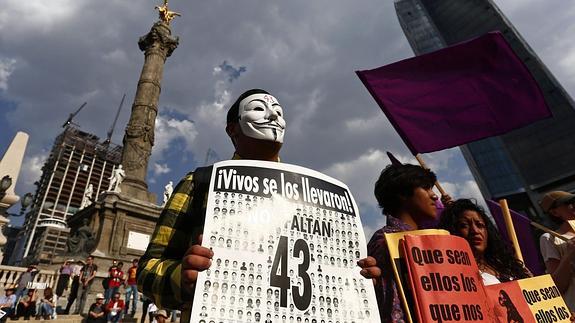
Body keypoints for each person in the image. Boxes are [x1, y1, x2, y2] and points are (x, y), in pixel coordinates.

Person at [138, 89, 379, 321]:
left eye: (279, 112)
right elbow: (148, 269)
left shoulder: (310, 198)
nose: (273, 116)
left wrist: (356, 280)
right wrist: (181, 276)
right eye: (258, 109)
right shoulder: (200, 182)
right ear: (232, 129)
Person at [366, 163, 446, 322]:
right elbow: (393, 308)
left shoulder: (435, 239)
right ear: (403, 194)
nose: (434, 196)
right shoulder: (386, 241)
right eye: (426, 188)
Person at [438, 199, 531, 285]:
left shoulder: (508, 266)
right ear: (452, 232)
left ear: (488, 232)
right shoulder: (454, 277)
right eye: (464, 225)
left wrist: (532, 282)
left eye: (480, 225)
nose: (475, 231)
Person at [539, 191, 575, 312]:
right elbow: (557, 286)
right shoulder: (550, 238)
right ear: (554, 212)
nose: (573, 205)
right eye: (568, 203)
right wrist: (569, 254)